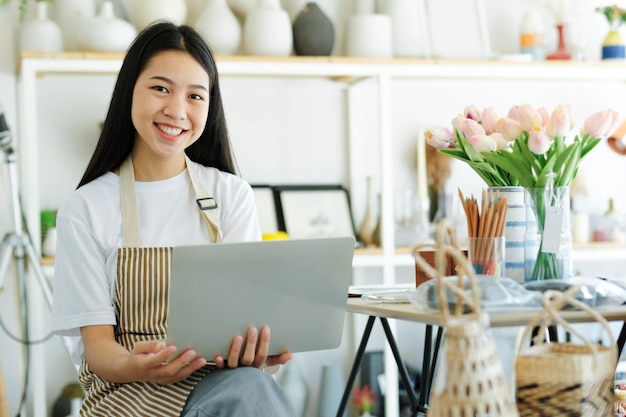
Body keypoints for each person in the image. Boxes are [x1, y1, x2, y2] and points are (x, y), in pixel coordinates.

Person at [50, 21, 296, 417]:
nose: (177, 110)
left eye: (195, 96)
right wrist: (135, 363)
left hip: (219, 386)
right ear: (129, 89)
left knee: (250, 387)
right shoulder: (85, 209)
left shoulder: (231, 196)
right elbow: (97, 349)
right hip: (128, 392)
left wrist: (259, 349)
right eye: (160, 88)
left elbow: (245, 318)